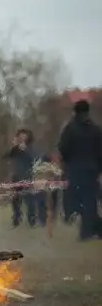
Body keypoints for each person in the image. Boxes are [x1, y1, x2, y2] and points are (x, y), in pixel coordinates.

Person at [57, 99, 102, 241]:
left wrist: (66, 162)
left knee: (76, 200)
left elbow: (63, 149)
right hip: (92, 171)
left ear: (75, 112)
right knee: (89, 201)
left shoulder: (70, 129)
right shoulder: (95, 129)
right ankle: (88, 231)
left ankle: (86, 229)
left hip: (75, 170)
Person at [5, 129, 45, 228]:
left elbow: (35, 159)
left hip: (27, 177)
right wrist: (14, 147)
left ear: (28, 137)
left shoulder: (31, 148)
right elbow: (7, 156)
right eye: (20, 135)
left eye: (24, 135)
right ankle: (16, 219)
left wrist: (25, 150)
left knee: (29, 200)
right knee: (15, 200)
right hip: (16, 177)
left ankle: (32, 220)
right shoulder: (16, 149)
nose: (22, 137)